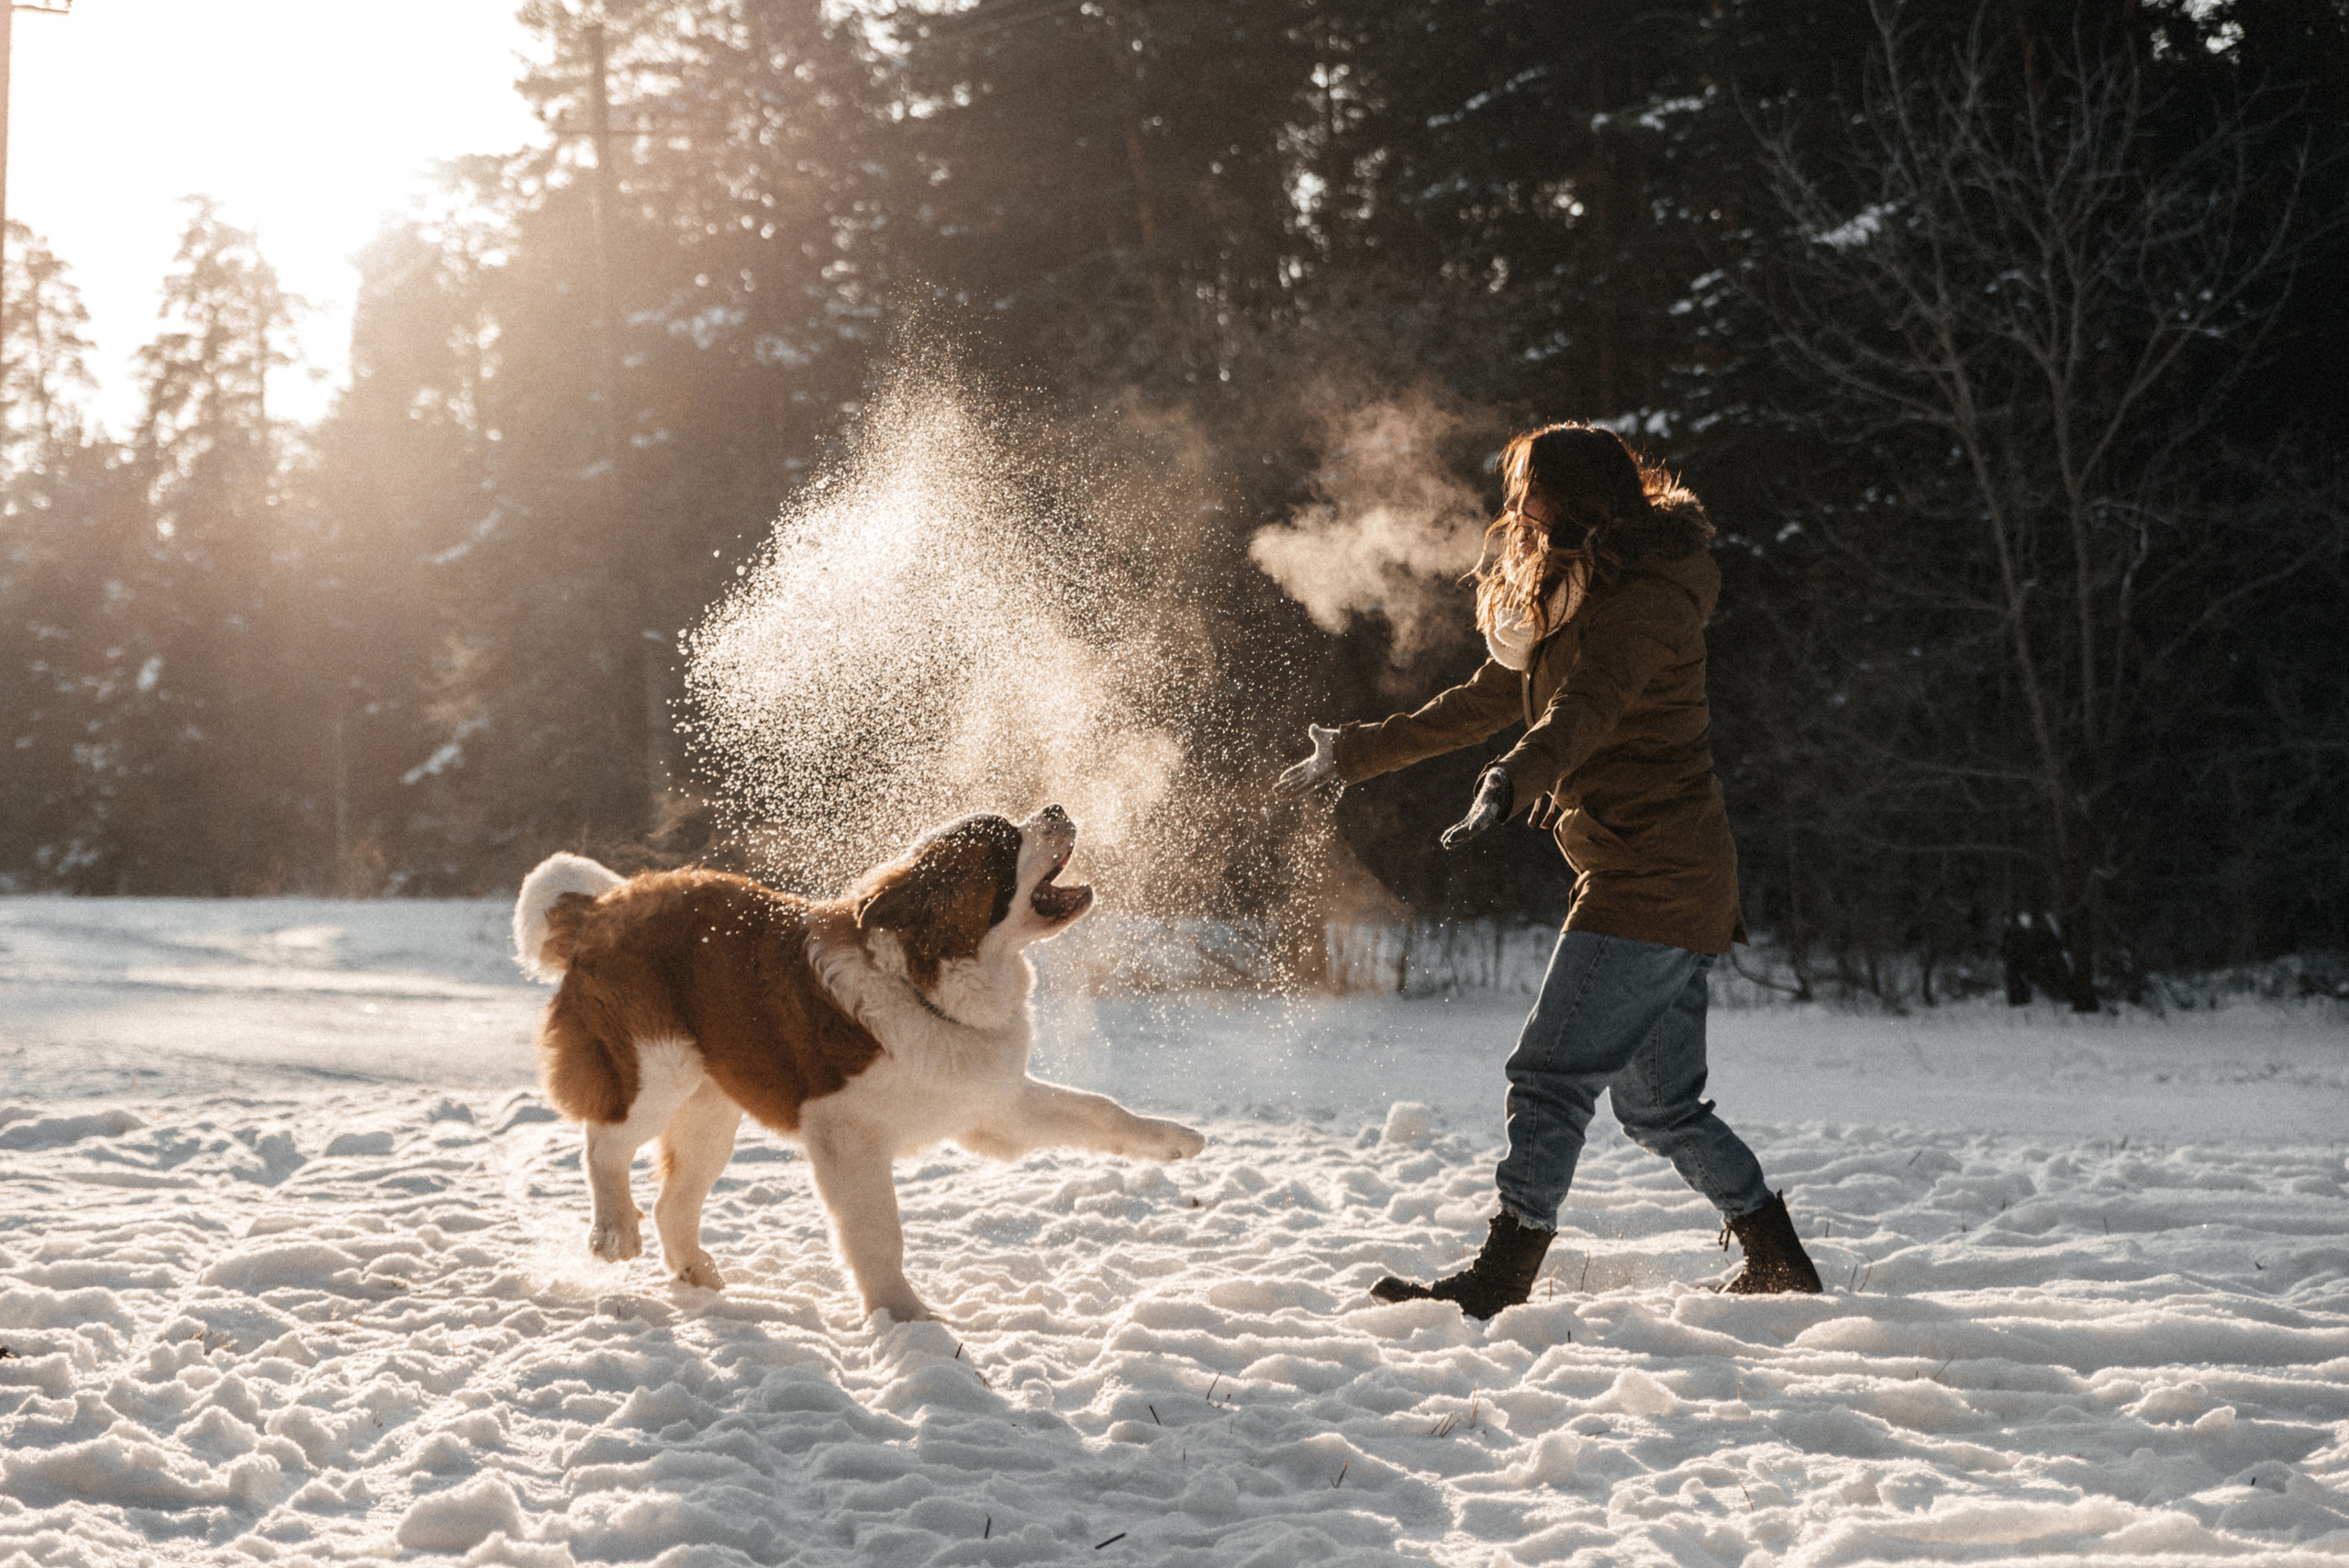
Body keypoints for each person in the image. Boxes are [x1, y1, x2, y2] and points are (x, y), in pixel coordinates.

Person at [1277, 422, 1821, 1318]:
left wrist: (1512, 776)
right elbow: (1490, 699)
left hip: (1652, 874)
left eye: (1531, 487)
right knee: (1657, 1109)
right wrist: (1355, 753)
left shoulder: (1647, 599)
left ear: (1578, 496)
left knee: (1547, 1075)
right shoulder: (1570, 592)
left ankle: (1500, 1276)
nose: (1517, 506)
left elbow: (1587, 707)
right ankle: (1778, 1256)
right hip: (1653, 869)